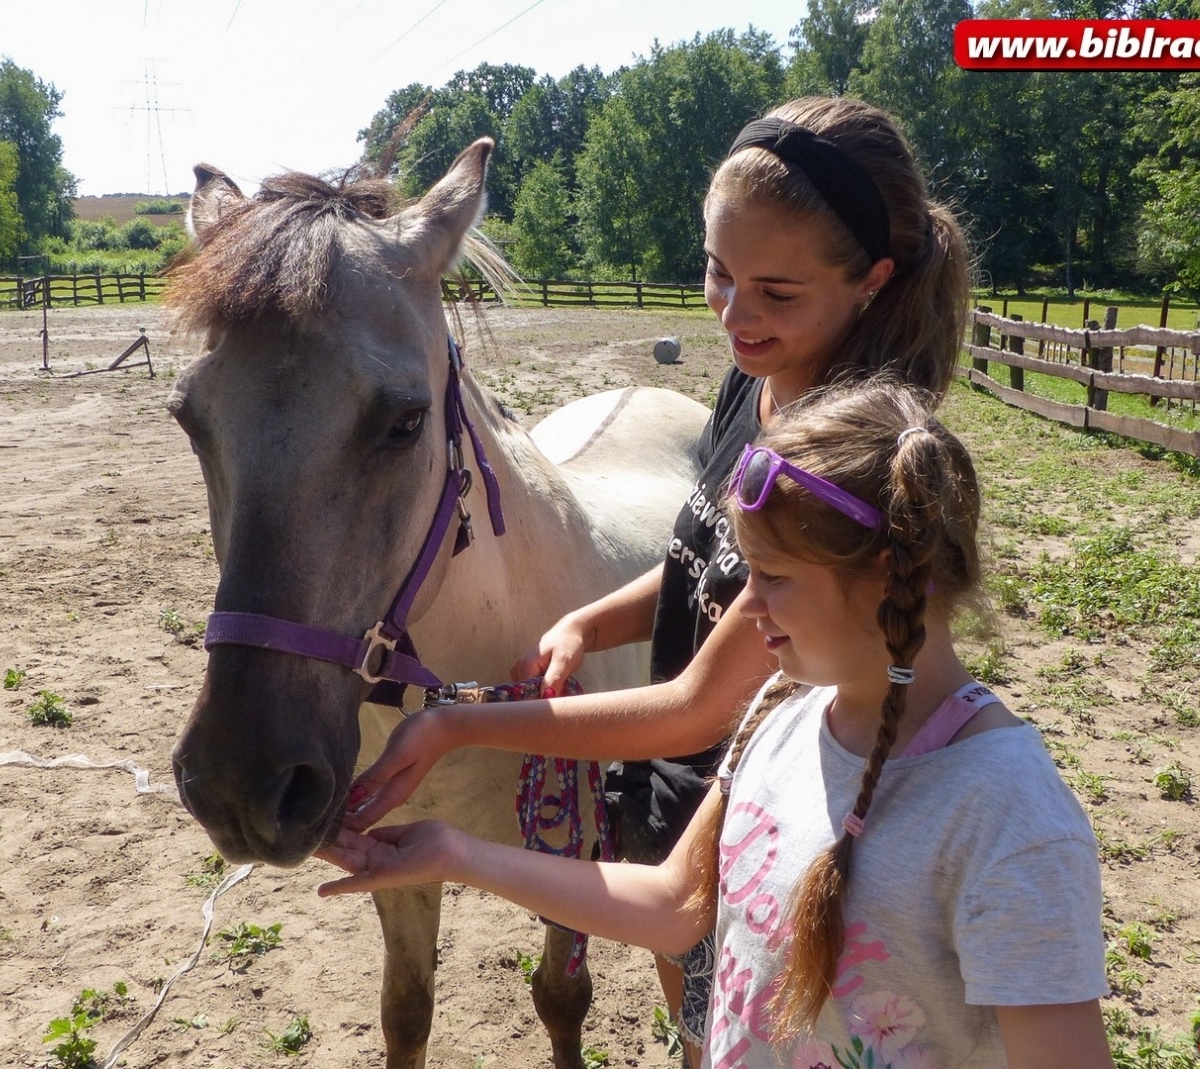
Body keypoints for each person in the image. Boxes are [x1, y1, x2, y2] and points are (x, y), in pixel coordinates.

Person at [344, 95, 972, 1057]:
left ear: (872, 283)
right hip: (678, 793)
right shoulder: (753, 380)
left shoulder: (835, 466)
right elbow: (700, 559)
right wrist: (595, 620)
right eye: (719, 272)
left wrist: (455, 720)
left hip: (751, 794)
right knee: (697, 1015)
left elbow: (693, 702)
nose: (734, 310)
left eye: (777, 291)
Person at [323, 382, 1113, 1069]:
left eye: (768, 578)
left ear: (883, 577)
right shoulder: (779, 712)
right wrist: (457, 853)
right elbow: (675, 902)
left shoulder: (1009, 822)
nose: (743, 609)